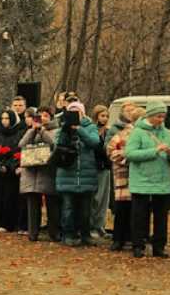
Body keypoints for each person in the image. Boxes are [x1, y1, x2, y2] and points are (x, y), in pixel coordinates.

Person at [124, 101, 170, 259]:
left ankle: (159, 247)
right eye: (158, 116)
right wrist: (155, 150)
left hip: (162, 180)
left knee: (161, 216)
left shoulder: (166, 133)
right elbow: (130, 154)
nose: (161, 119)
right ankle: (138, 245)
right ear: (150, 115)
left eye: (163, 116)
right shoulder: (138, 132)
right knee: (140, 215)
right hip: (141, 180)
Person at [55, 102, 100, 247]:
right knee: (68, 208)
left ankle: (85, 234)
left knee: (86, 210)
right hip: (67, 175)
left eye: (77, 113)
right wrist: (66, 130)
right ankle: (69, 234)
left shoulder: (91, 127)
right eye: (71, 113)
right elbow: (57, 146)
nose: (75, 116)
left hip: (86, 174)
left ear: (83, 113)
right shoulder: (62, 129)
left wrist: (79, 129)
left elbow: (94, 142)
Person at [107, 104, 141, 252]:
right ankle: (118, 239)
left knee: (138, 210)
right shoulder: (121, 134)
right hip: (123, 176)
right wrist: (129, 159)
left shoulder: (147, 135)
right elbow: (111, 151)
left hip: (141, 178)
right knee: (121, 209)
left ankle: (135, 239)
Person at [19, 108, 57, 242]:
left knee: (52, 204)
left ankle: (53, 232)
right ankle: (33, 232)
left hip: (47, 171)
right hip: (31, 172)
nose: (43, 118)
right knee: (33, 204)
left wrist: (42, 131)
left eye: (46, 115)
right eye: (40, 116)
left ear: (51, 117)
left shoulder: (55, 130)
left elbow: (54, 144)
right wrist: (32, 131)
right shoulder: (30, 131)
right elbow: (21, 144)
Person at [0, 109, 24, 233]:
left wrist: (9, 166)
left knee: (10, 197)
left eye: (7, 118)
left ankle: (9, 223)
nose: (4, 121)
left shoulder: (19, 133)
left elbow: (19, 152)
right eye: (2, 118)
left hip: (12, 172)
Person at [90, 105, 113, 239]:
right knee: (94, 199)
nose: (104, 119)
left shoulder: (108, 132)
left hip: (105, 167)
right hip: (94, 166)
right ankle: (92, 225)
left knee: (104, 199)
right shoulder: (92, 131)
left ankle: (100, 225)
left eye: (106, 116)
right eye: (102, 116)